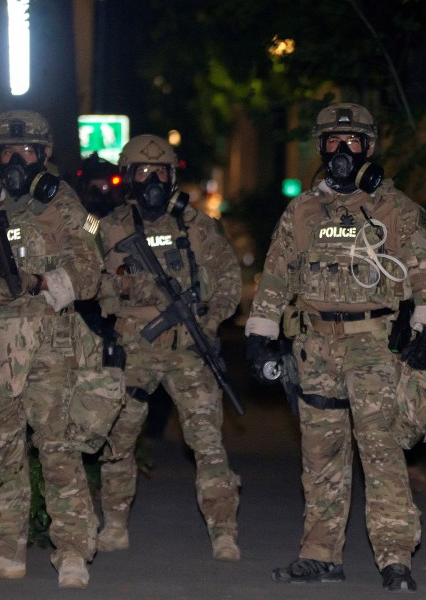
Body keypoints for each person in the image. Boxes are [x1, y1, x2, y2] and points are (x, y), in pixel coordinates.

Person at [245, 102, 426, 592]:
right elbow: (276, 275)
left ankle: (395, 557)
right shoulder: (302, 211)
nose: (342, 151)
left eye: (352, 141)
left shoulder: (394, 209)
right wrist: (260, 334)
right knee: (320, 455)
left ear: (368, 148)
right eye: (333, 142)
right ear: (320, 148)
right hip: (315, 348)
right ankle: (320, 555)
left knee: (381, 451)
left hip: (374, 347)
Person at [0, 110, 115, 589]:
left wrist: (37, 282)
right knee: (0, 452)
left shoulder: (67, 206)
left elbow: (91, 270)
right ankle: (3, 548)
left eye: (26, 151)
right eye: (6, 152)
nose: (16, 159)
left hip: (47, 346)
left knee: (57, 448)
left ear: (45, 155)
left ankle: (72, 550)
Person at [95, 134, 243, 560]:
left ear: (172, 176)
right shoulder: (110, 229)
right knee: (117, 438)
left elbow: (229, 281)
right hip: (134, 348)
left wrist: (209, 321)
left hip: (187, 350)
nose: (153, 181)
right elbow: (91, 284)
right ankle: (116, 523)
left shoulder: (197, 226)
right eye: (143, 172)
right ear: (129, 177)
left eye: (160, 173)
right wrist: (127, 287)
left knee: (208, 442)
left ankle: (224, 530)